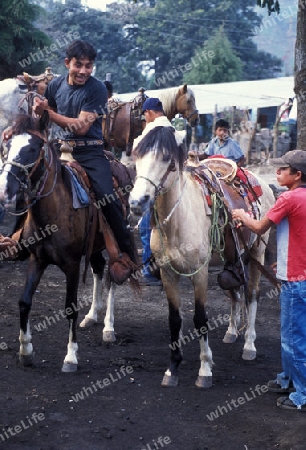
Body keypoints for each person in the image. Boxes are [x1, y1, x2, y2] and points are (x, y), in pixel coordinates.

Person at [32, 40, 135, 269]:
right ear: (67, 63)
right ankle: (18, 239)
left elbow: (80, 127)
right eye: (79, 65)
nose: (83, 71)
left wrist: (47, 111)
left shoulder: (97, 88)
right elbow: (44, 120)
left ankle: (126, 254)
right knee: (28, 181)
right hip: (59, 148)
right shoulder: (56, 85)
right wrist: (36, 114)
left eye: (89, 66)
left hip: (89, 151)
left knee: (107, 197)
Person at [232, 149, 306, 412]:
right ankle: (288, 379)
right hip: (299, 273)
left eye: (283, 169)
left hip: (296, 282)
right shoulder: (303, 197)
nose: (278, 172)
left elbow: (259, 227)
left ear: (297, 175)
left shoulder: (287, 198)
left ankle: (303, 395)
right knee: (291, 334)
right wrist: (282, 260)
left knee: (293, 337)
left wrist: (241, 215)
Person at [133, 98, 185, 287]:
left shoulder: (152, 130)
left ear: (148, 112)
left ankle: (148, 270)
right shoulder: (174, 131)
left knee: (148, 229)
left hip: (153, 186)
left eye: (144, 115)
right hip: (175, 189)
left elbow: (136, 150)